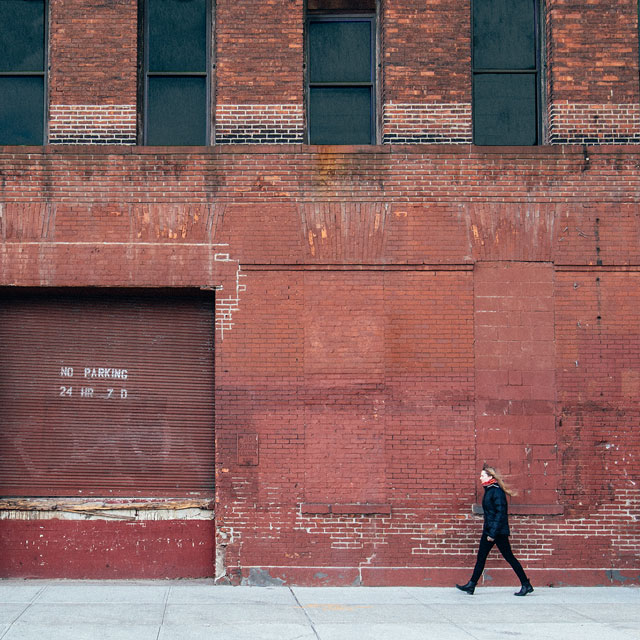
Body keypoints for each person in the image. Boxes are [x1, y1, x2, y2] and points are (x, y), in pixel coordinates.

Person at [456, 464, 534, 596]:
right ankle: (471, 585)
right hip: (490, 530)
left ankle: (526, 584)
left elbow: (500, 514)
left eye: (482, 475)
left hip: (497, 532)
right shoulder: (490, 490)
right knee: (481, 557)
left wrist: (492, 533)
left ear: (490, 477)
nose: (480, 478)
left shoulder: (496, 491)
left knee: (509, 557)